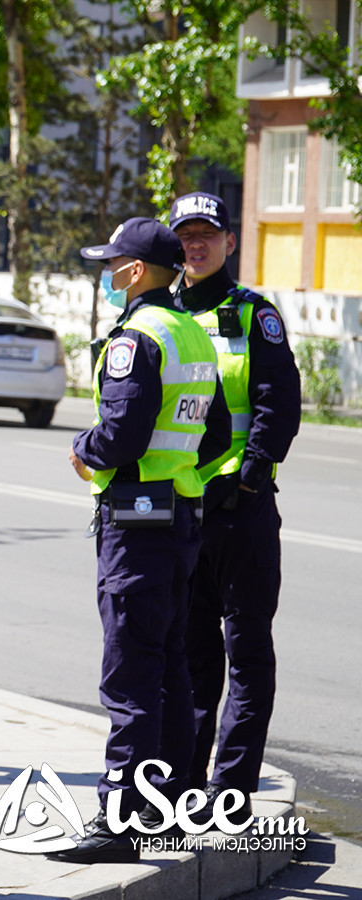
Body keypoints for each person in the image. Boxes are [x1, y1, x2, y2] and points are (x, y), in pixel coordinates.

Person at [50, 217, 231, 864]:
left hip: (136, 516)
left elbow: (121, 435)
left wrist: (83, 449)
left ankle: (120, 817)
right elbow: (215, 438)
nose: (106, 274)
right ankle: (169, 811)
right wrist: (178, 471)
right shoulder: (192, 333)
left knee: (130, 674)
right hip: (181, 514)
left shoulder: (136, 337)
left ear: (133, 272)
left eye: (111, 264)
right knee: (171, 671)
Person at [169, 192, 301, 827]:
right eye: (186, 235)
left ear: (228, 242)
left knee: (246, 651)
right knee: (192, 657)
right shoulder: (162, 313)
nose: (195, 245)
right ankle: (187, 785)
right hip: (180, 510)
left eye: (206, 235)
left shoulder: (254, 314)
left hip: (241, 513)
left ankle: (232, 791)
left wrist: (247, 481)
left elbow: (278, 405)